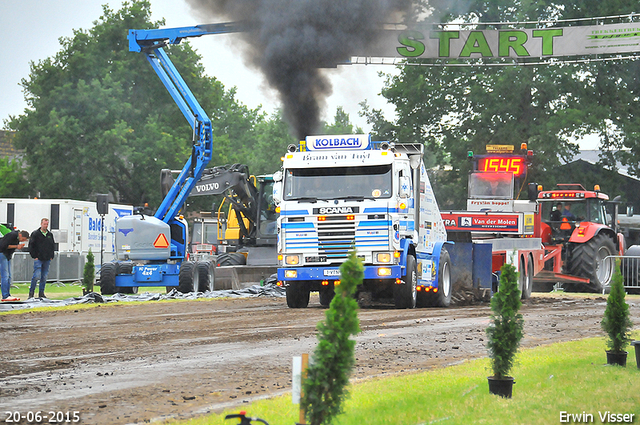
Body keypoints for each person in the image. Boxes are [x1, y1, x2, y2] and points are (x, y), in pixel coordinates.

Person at [28, 218, 56, 299]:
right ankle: (31, 293)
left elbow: (52, 246)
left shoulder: (50, 234)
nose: (45, 226)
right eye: (44, 224)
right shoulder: (35, 234)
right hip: (38, 258)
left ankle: (41, 293)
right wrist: (34, 256)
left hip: (47, 258)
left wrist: (51, 256)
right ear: (41, 224)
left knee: (44, 276)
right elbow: (31, 245)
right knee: (36, 276)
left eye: (47, 224)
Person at [0, 229, 30, 302]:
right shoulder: (12, 235)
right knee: (5, 275)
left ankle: (8, 294)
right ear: (20, 235)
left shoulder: (16, 238)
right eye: (23, 239)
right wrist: (16, 246)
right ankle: (5, 295)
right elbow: (4, 246)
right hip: (2, 254)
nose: (23, 241)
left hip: (7, 256)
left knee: (9, 276)